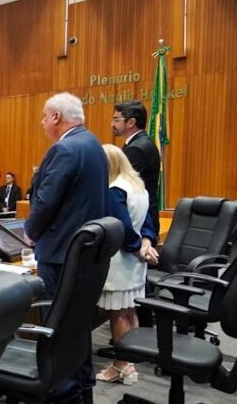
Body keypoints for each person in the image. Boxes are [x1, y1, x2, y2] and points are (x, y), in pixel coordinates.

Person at [25, 92, 109, 403]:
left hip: (60, 255)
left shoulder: (64, 149)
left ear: (57, 117)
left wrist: (30, 233)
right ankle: (81, 391)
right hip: (82, 257)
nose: (42, 122)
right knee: (76, 328)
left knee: (58, 330)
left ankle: (64, 394)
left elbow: (45, 201)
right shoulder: (93, 145)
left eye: (45, 116)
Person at [97, 144, 151, 385]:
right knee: (130, 311)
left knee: (118, 313)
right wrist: (145, 245)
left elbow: (121, 227)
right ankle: (131, 362)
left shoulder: (114, 189)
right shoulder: (138, 187)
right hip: (136, 262)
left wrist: (136, 247)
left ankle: (121, 366)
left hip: (120, 259)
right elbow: (146, 221)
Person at [112, 101, 161, 265]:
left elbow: (128, 187)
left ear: (131, 122)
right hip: (144, 217)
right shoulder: (142, 143)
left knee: (134, 268)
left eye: (117, 119)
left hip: (138, 220)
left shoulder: (136, 149)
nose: (113, 124)